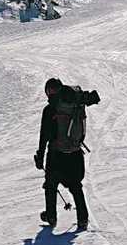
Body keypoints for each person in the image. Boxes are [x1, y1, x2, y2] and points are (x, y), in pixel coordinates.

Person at [35, 77, 100, 230]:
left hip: (56, 155)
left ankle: (51, 216)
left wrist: (40, 156)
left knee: (51, 185)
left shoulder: (50, 110)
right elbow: (94, 98)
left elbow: (44, 136)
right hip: (75, 152)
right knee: (76, 186)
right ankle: (83, 219)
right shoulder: (76, 103)